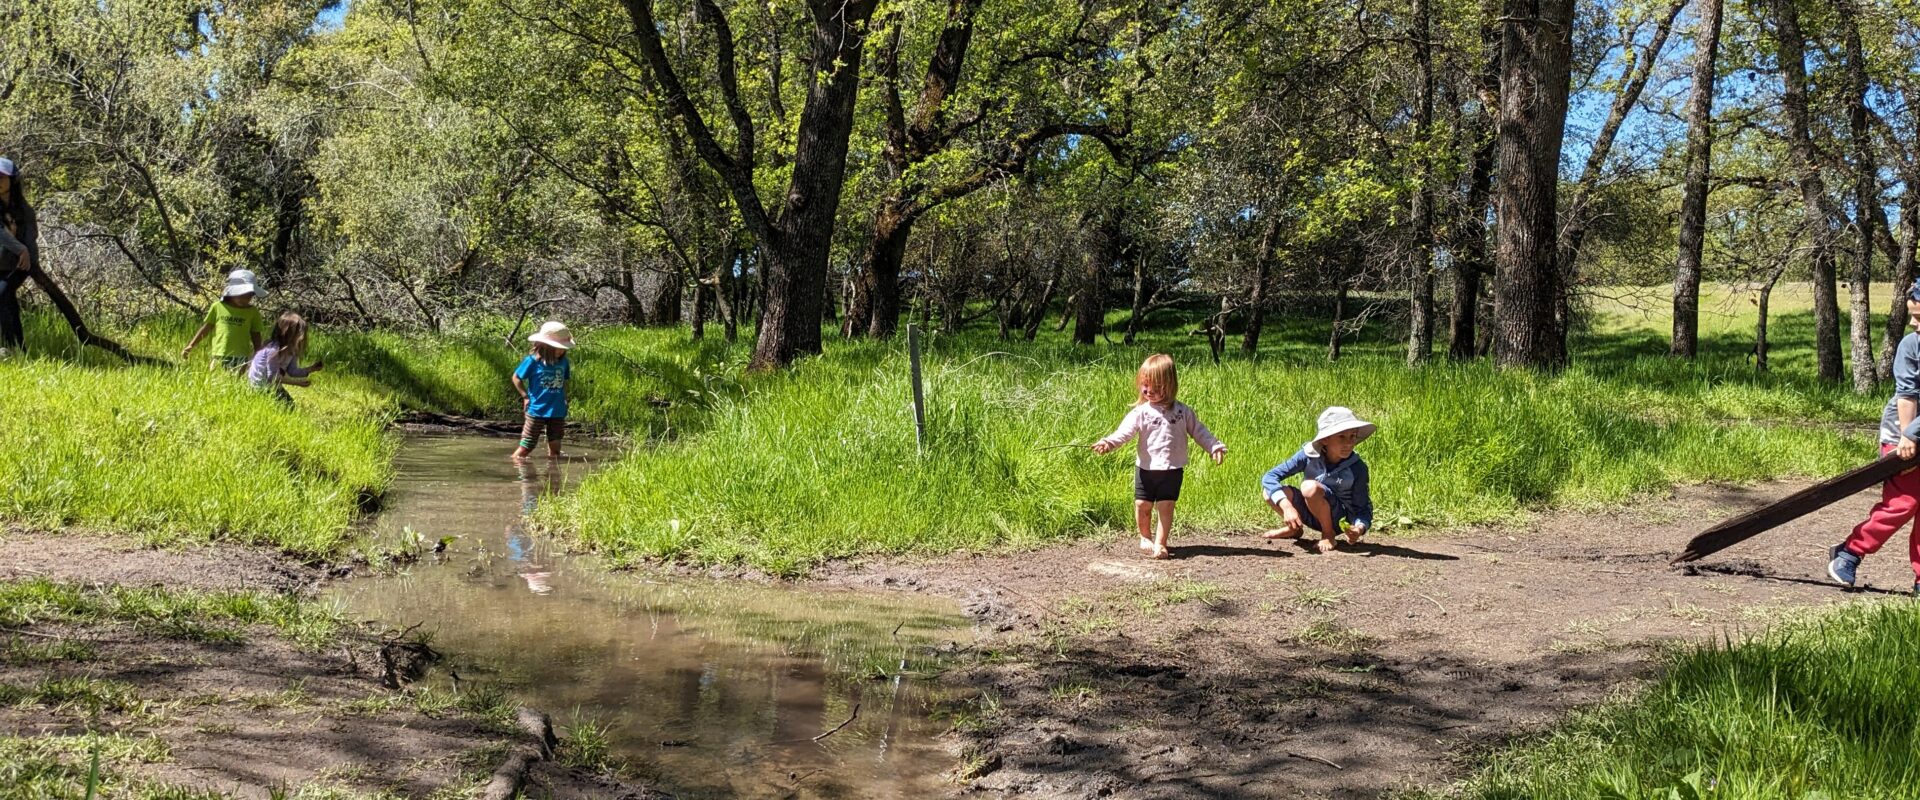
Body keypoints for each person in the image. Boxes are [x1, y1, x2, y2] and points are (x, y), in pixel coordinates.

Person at [1828, 279, 1920, 595]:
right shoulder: (1912, 345)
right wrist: (1909, 439)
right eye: (1912, 315)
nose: (1912, 322)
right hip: (1904, 435)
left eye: (1919, 316)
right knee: (1902, 503)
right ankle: (1850, 551)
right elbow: (1907, 394)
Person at [1092, 354, 1227, 559]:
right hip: (1146, 468)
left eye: (1155, 386)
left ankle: (1161, 543)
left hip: (1172, 469)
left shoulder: (1182, 412)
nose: (1148, 391)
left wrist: (1214, 446)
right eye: (1144, 385)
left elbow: (1199, 431)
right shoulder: (1141, 412)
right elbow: (1124, 432)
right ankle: (1144, 536)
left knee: (1166, 506)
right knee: (1142, 505)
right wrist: (1109, 442)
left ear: (1170, 385)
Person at [1260, 407, 1376, 554]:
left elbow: (1363, 508)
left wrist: (1359, 528)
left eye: (1353, 436)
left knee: (1309, 487)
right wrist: (1287, 507)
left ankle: (1328, 534)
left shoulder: (1357, 468)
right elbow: (1269, 477)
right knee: (1269, 492)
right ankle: (1294, 529)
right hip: (1310, 512)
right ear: (1325, 439)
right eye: (1341, 437)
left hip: (1337, 519)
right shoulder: (1307, 455)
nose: (1349, 443)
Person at [181, 269, 269, 372]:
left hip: (241, 356)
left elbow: (256, 333)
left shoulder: (252, 312)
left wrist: (258, 352)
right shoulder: (218, 307)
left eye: (249, 296)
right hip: (220, 353)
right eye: (241, 295)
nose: (245, 299)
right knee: (216, 378)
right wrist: (191, 345)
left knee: (236, 383)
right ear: (231, 293)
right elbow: (207, 327)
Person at [512, 320, 574, 462]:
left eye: (563, 348)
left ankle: (553, 477)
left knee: (555, 448)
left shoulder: (564, 363)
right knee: (527, 446)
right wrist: (525, 397)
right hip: (536, 410)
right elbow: (516, 378)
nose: (561, 351)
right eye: (557, 347)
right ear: (544, 346)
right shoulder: (532, 361)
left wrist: (565, 398)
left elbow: (564, 382)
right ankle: (516, 469)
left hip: (557, 410)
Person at [0, 157, 37, 357]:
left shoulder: (24, 210)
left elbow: (31, 238)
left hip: (20, 265)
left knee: (2, 295)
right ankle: (19, 350)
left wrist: (24, 252)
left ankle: (8, 348)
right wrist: (18, 246)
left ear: (12, 180)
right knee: (9, 301)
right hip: (2, 263)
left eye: (1, 177)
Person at [246, 311, 323, 403]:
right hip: (260, 387)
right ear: (287, 335)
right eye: (300, 335)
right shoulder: (273, 351)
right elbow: (272, 377)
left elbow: (292, 371)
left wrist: (310, 369)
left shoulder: (291, 351)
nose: (303, 338)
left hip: (272, 385)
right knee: (286, 406)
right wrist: (296, 383)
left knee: (290, 405)